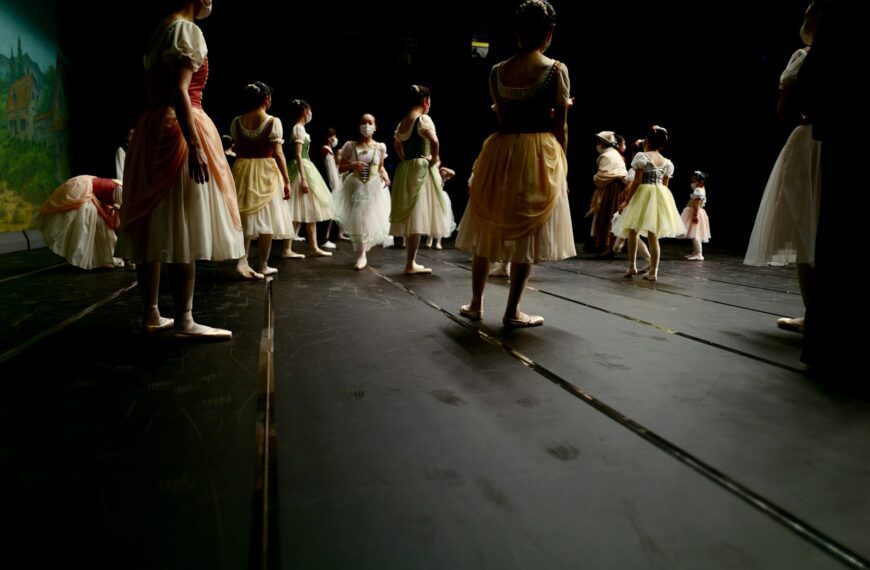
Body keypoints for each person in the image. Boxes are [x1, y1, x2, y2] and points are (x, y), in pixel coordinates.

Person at [116, 0, 245, 339]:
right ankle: (185, 320)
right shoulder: (186, 30)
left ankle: (151, 313)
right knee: (181, 219)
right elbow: (179, 90)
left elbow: (157, 89)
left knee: (155, 220)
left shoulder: (161, 30)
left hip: (151, 126)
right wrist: (196, 145)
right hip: (178, 128)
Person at [454, 0, 575, 327]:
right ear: (549, 33)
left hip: (501, 149)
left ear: (517, 32)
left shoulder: (497, 71)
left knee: (487, 222)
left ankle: (476, 303)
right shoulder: (556, 70)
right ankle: (512, 311)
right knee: (528, 230)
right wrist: (562, 165)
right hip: (538, 151)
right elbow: (561, 126)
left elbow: (503, 116)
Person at [743, 1, 822, 335]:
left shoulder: (805, 58)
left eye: (809, 15)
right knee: (808, 225)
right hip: (810, 140)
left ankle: (815, 315)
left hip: (811, 139)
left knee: (806, 225)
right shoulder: (804, 57)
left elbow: (784, 110)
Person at [230, 81, 294, 279]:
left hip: (242, 168)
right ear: (267, 98)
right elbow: (278, 153)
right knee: (267, 219)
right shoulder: (273, 122)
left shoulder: (237, 122)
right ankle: (263, 264)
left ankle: (242, 261)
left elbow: (237, 148)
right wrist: (286, 180)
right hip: (265, 170)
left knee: (245, 217)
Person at [390, 84, 455, 274]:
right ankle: (410, 263)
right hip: (421, 168)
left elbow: (397, 144)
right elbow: (434, 141)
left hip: (406, 168)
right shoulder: (422, 119)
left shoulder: (403, 122)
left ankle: (410, 262)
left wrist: (405, 159)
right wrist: (433, 160)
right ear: (425, 101)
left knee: (412, 214)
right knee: (417, 213)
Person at [613, 126, 685, 282]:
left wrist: (626, 201)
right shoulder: (667, 162)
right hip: (659, 195)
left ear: (647, 141)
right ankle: (653, 271)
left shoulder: (642, 157)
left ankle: (632, 266)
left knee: (633, 231)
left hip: (643, 194)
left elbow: (637, 181)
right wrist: (662, 203)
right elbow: (665, 185)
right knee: (653, 235)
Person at [334, 113, 392, 270]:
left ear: (375, 127)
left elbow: (380, 167)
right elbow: (341, 168)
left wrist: (385, 176)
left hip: (374, 186)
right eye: (363, 122)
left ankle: (362, 253)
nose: (366, 126)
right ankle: (361, 253)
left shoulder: (380, 147)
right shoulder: (350, 146)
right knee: (360, 219)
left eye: (370, 122)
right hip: (356, 185)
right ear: (359, 125)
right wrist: (352, 165)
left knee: (367, 219)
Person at [35, 175, 124, 270]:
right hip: (82, 189)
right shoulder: (121, 192)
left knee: (103, 222)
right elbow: (117, 224)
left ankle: (104, 259)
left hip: (91, 189)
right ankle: (91, 259)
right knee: (90, 220)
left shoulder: (125, 189)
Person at [282, 99, 334, 258]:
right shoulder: (298, 128)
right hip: (301, 170)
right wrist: (303, 178)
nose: (310, 113)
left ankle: (314, 247)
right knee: (295, 211)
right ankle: (287, 249)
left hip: (306, 167)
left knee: (309, 210)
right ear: (305, 111)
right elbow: (298, 154)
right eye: (309, 110)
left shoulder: (301, 129)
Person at [586, 130, 627, 258]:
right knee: (610, 216)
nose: (597, 145)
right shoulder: (614, 154)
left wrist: (595, 178)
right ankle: (606, 246)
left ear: (603, 143)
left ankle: (607, 246)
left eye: (599, 142)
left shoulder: (607, 156)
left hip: (611, 189)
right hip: (616, 187)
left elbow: (603, 175)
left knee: (607, 216)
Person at [680, 170, 711, 260]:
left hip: (694, 213)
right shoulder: (700, 189)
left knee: (696, 235)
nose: (692, 183)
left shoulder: (698, 190)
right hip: (695, 212)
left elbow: (696, 203)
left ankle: (699, 254)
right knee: (694, 234)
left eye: (694, 181)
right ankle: (695, 252)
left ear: (700, 182)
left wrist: (695, 215)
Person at [319, 127, 342, 249]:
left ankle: (325, 237)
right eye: (334, 136)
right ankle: (324, 238)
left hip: (330, 185)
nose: (335, 139)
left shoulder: (328, 151)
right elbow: (330, 172)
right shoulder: (326, 151)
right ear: (329, 138)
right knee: (328, 212)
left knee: (331, 212)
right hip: (329, 186)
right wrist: (335, 187)